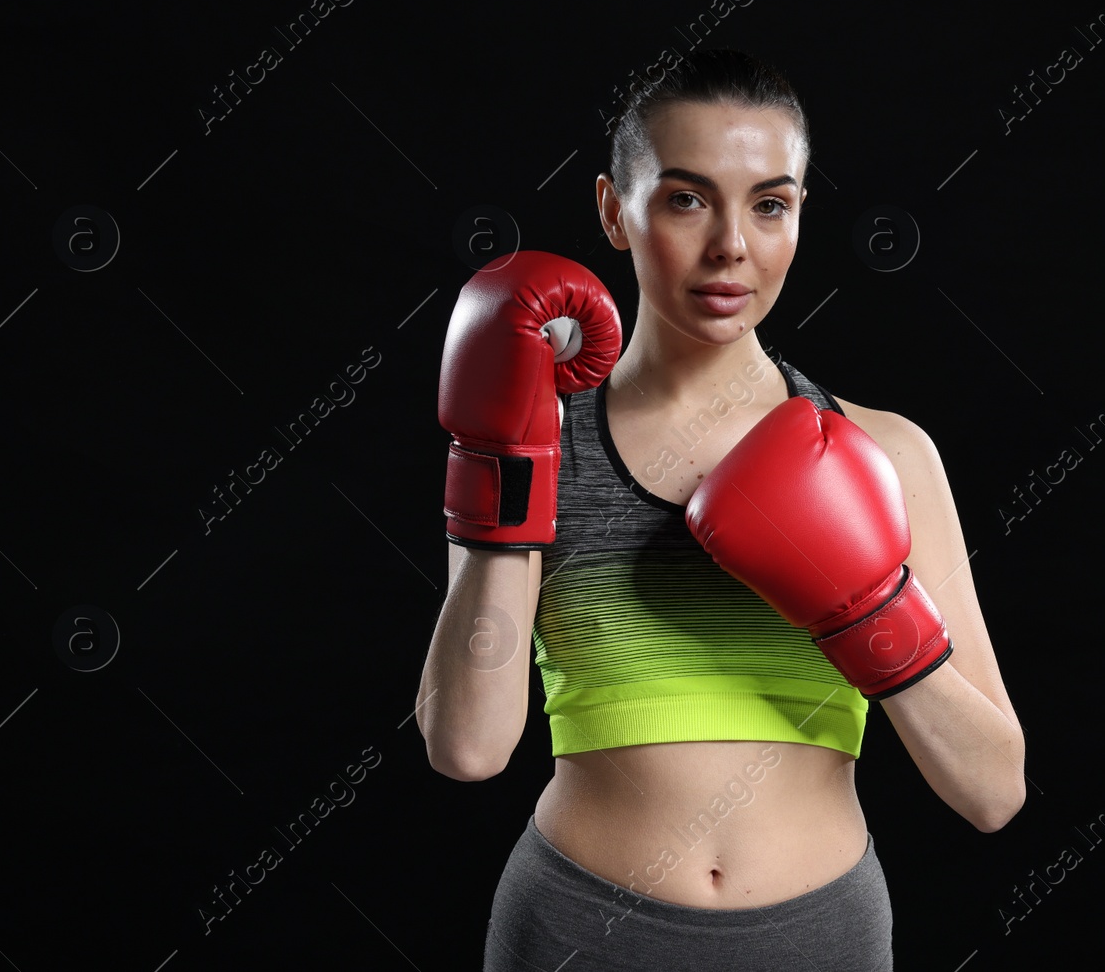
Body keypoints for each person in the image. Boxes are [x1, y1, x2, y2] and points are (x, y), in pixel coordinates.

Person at [419, 48, 1025, 971]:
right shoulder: (532, 445)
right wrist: (503, 461)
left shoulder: (885, 453)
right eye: (686, 198)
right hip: (575, 930)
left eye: (769, 203)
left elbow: (994, 790)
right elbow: (468, 746)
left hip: (820, 936)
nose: (731, 245)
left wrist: (869, 609)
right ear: (613, 211)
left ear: (799, 217)